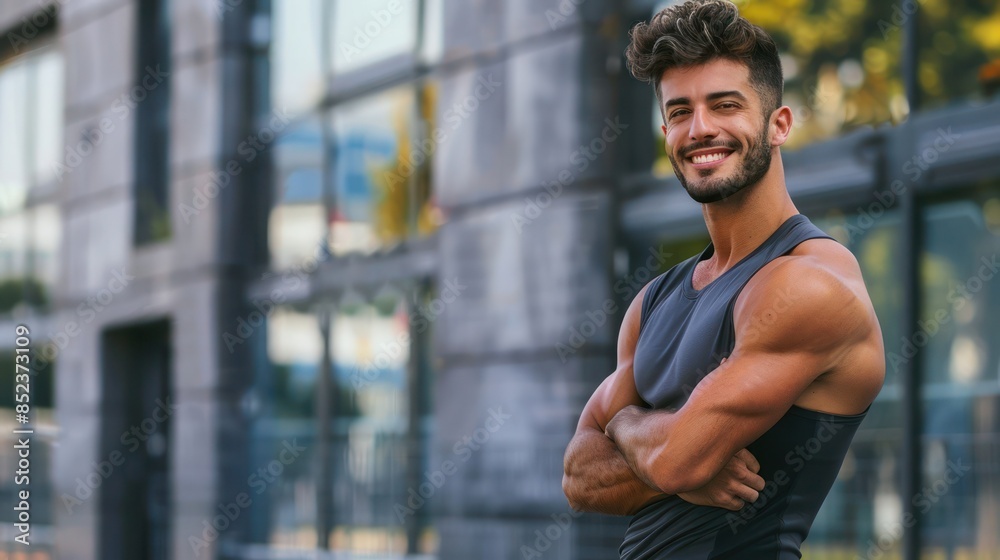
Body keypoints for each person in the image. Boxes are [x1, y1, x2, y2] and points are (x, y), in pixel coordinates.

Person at [561, 1, 886, 558]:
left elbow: (679, 459)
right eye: (681, 111)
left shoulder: (807, 285)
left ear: (778, 123)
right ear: (666, 131)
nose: (701, 128)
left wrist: (627, 425)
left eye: (725, 104)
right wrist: (675, 459)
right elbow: (578, 479)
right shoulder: (655, 300)